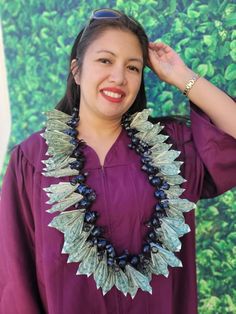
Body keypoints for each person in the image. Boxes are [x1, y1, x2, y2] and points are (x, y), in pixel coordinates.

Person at [0, 8, 235, 314]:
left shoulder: (171, 148)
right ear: (77, 70)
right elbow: (15, 275)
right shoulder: (32, 160)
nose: (119, 77)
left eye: (133, 68)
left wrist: (182, 76)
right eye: (105, 60)